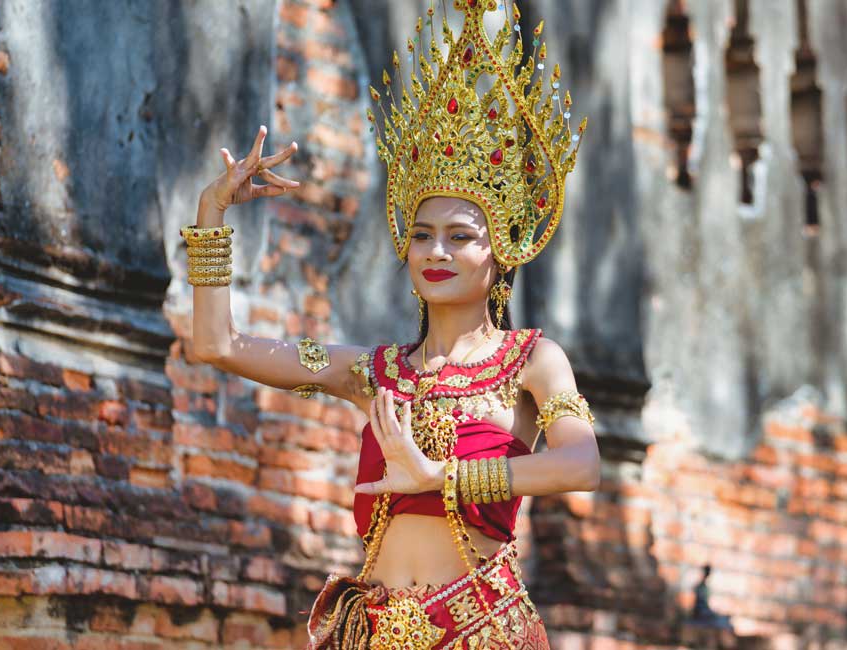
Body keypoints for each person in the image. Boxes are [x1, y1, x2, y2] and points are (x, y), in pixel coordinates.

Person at [180, 1, 598, 646]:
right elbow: (217, 345)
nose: (436, 252)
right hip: (372, 633)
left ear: (502, 250)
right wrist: (211, 217)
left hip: (480, 629)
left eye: (461, 237)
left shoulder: (531, 361)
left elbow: (580, 464)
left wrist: (444, 478)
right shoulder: (368, 373)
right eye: (423, 235)